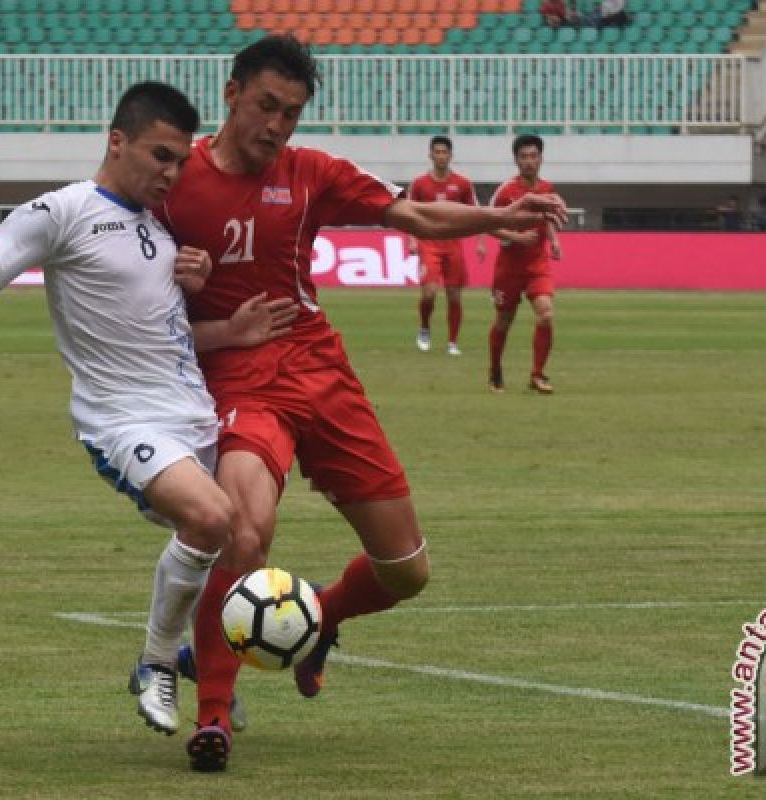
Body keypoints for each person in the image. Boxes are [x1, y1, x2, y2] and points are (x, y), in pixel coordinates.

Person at [152, 34, 566, 772]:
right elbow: (131, 296)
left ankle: (319, 614)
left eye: (292, 113)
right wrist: (182, 282)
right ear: (231, 94)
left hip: (321, 372)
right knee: (244, 532)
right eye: (266, 106)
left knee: (406, 570)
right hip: (241, 383)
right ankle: (212, 713)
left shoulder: (313, 173)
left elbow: (412, 216)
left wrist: (498, 221)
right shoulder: (174, 181)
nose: (277, 126)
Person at [0, 82, 297, 740]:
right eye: (160, 156)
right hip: (123, 422)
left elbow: (160, 336)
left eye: (179, 161)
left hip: (193, 416)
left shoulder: (163, 232)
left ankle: (192, 654)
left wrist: (229, 331)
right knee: (211, 518)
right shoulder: (59, 213)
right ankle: (154, 663)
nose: (171, 173)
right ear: (117, 141)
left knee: (249, 543)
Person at [485, 133, 564, 395]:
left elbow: (550, 217)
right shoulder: (506, 191)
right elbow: (488, 225)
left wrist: (553, 240)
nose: (529, 161)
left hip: (537, 264)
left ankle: (537, 375)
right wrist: (516, 237)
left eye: (533, 156)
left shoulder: (547, 189)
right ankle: (495, 371)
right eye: (523, 157)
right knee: (504, 320)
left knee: (546, 314)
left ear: (541, 158)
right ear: (516, 160)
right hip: (509, 267)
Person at [407, 135, 481, 355]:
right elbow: (410, 212)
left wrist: (481, 241)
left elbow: (476, 212)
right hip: (428, 242)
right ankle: (424, 327)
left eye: (444, 152)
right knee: (429, 292)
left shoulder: (462, 184)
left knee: (454, 295)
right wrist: (412, 239)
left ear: (451, 156)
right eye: (437, 152)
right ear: (430, 155)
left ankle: (452, 342)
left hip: (453, 243)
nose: (440, 156)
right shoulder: (420, 184)